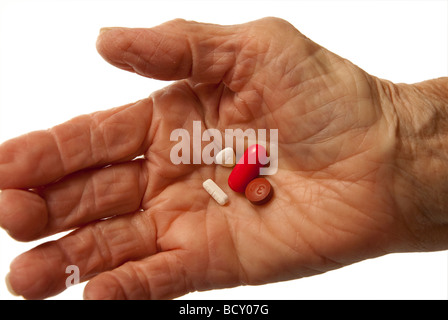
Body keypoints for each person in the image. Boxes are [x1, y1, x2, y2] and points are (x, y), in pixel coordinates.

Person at [0, 17, 447, 300]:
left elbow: (250, 183)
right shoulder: (241, 177)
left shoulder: (249, 174)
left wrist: (404, 145)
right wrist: (405, 148)